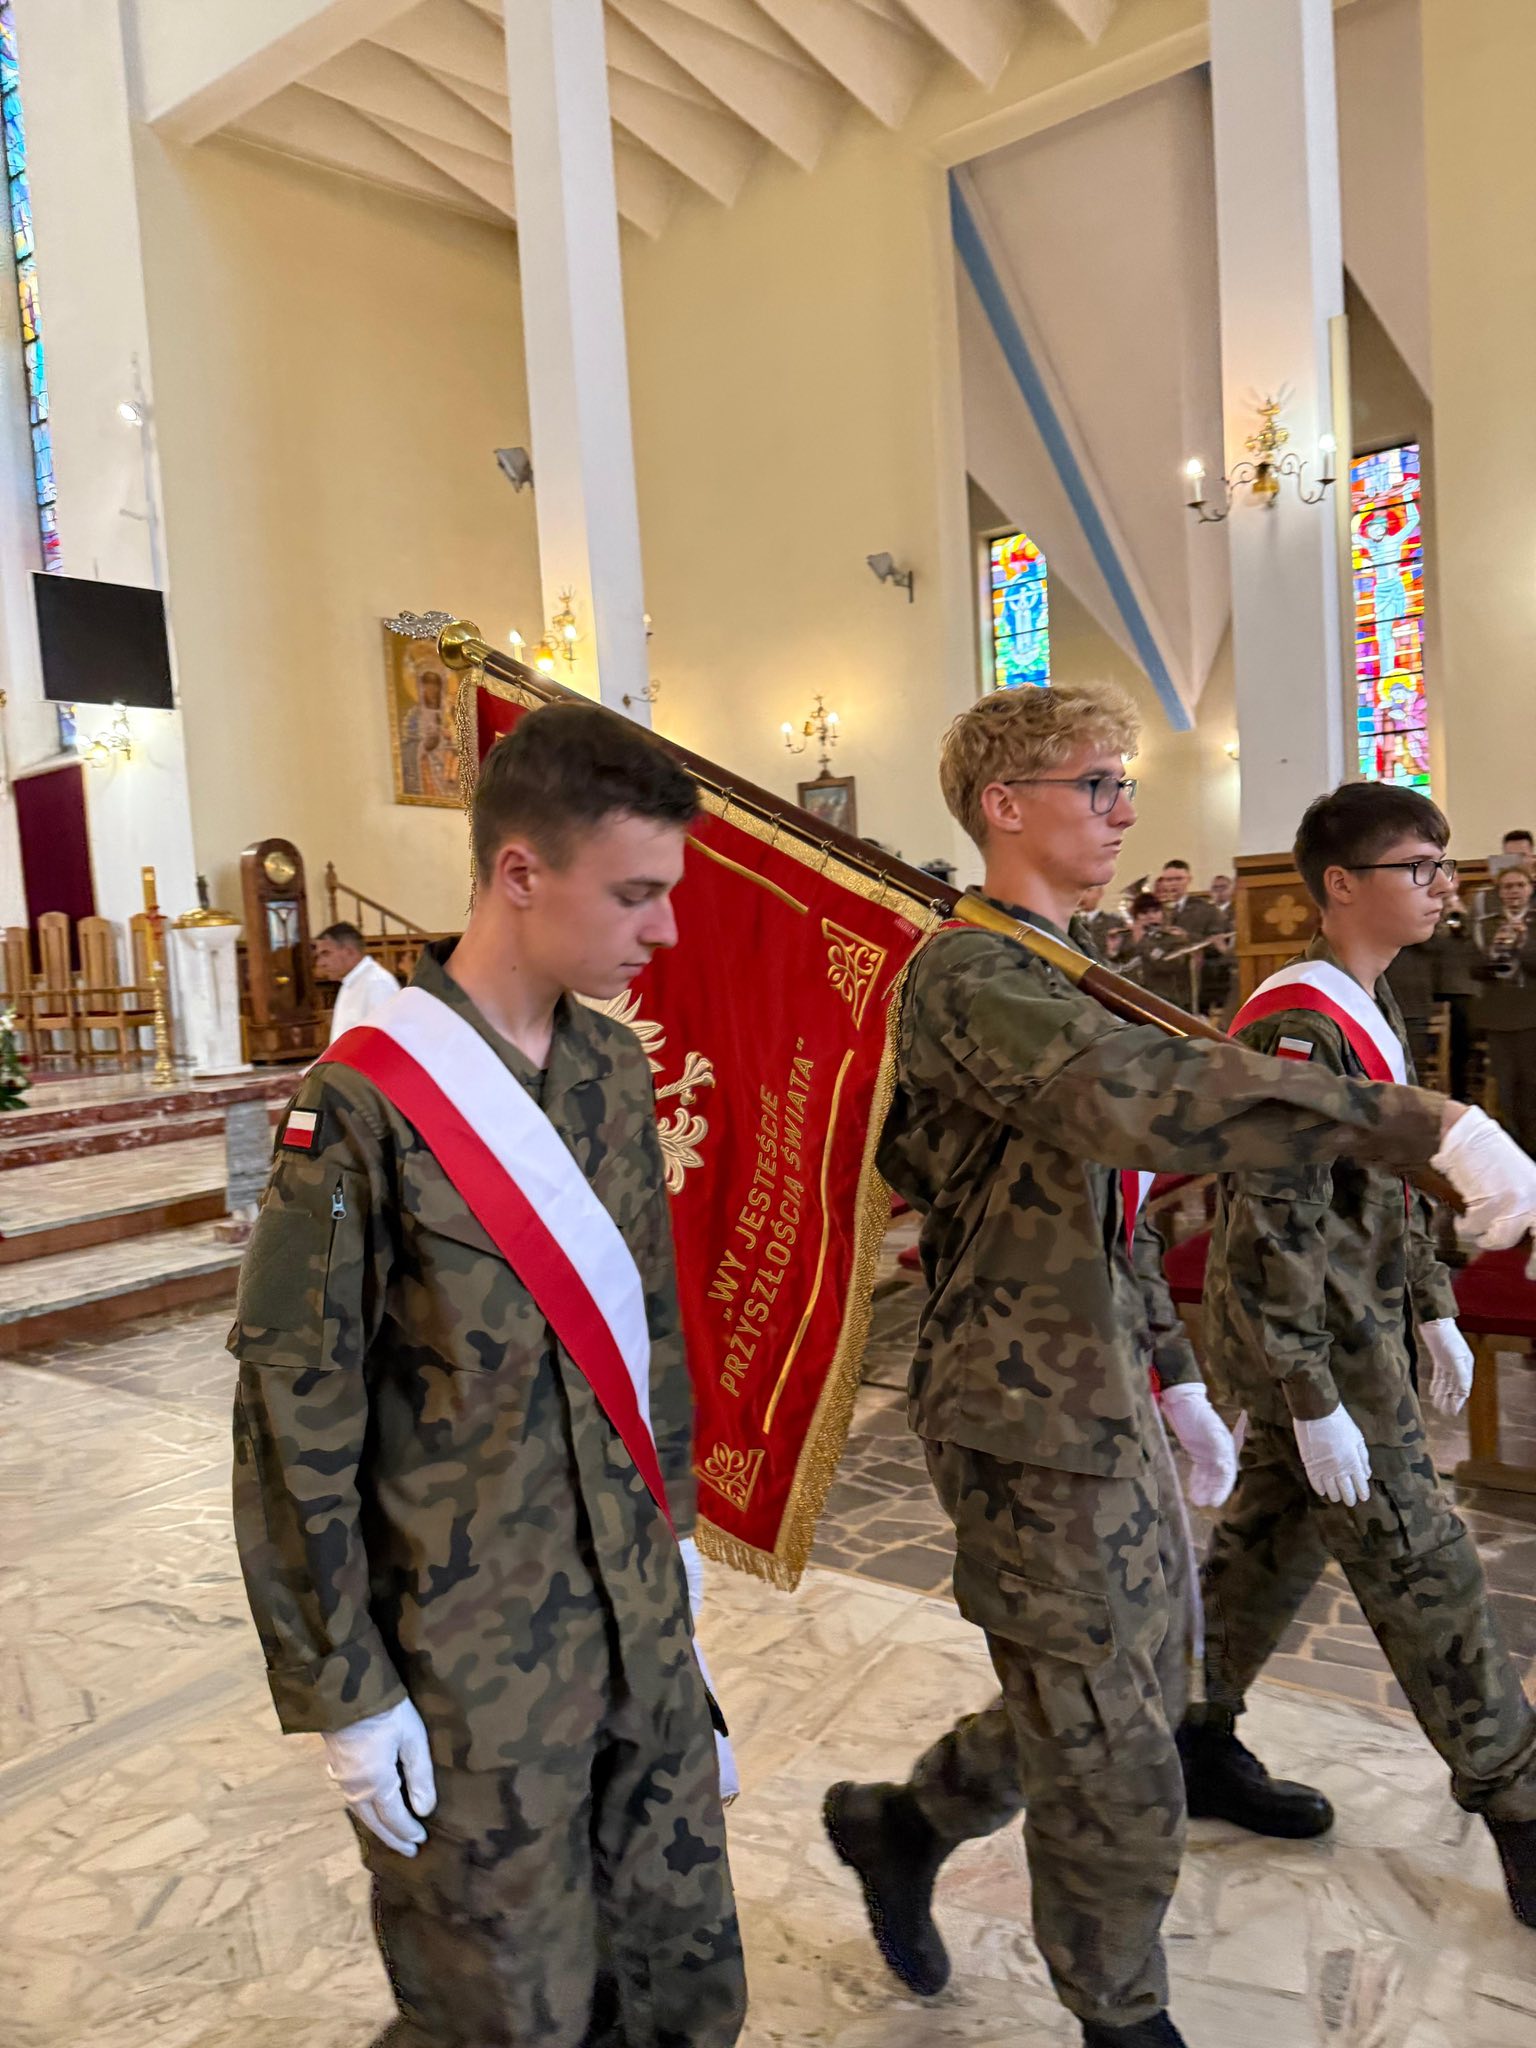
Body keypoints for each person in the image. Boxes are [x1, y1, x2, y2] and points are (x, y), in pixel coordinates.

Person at [816, 682, 1536, 2048]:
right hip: (1019, 1414)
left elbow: (1109, 1207)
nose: (1124, 811)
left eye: (1124, 784)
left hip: (1100, 1389)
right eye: (1097, 784)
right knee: (1108, 1743)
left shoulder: (1057, 964)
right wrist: (1419, 1124)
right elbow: (1136, 1104)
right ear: (1004, 805)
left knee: (1127, 1689)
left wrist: (1177, 1370)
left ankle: (904, 1821)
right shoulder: (972, 976)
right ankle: (1121, 2015)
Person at [230, 704, 746, 2048]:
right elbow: (295, 1415)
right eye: (633, 893)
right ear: (520, 871)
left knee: (683, 1985)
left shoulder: (613, 1066)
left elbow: (646, 1330)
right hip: (469, 1664)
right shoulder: (359, 1106)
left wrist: (676, 1549)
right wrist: (345, 1687)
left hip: (634, 1622)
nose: (663, 929)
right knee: (505, 2013)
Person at [1197, 781, 1536, 1936]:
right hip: (1322, 1346)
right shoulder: (1297, 1021)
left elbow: (1385, 1183)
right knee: (1421, 1558)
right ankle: (1517, 1789)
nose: (1444, 887)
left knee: (1264, 1545)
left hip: (1356, 1324)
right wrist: (1308, 1393)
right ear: (1342, 884)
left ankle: (1192, 1726)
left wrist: (1432, 1301)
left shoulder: (1367, 998)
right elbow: (1272, 1218)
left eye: (1445, 865)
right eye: (1418, 867)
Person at [1473, 863, 1536, 1152]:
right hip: (1498, 1017)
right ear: (1499, 892)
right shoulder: (1487, 924)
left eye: (1520, 886)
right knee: (1506, 1089)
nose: (1514, 892)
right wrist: (1492, 953)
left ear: (1530, 889)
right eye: (1507, 887)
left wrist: (1521, 946)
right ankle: (1513, 1151)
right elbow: (1473, 969)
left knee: (1532, 1087)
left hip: (1531, 1016)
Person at [313, 921, 400, 1043]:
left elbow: (384, 1041)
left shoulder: (377, 983)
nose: (320, 963)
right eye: (319, 956)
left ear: (350, 952)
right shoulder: (350, 982)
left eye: (326, 954)